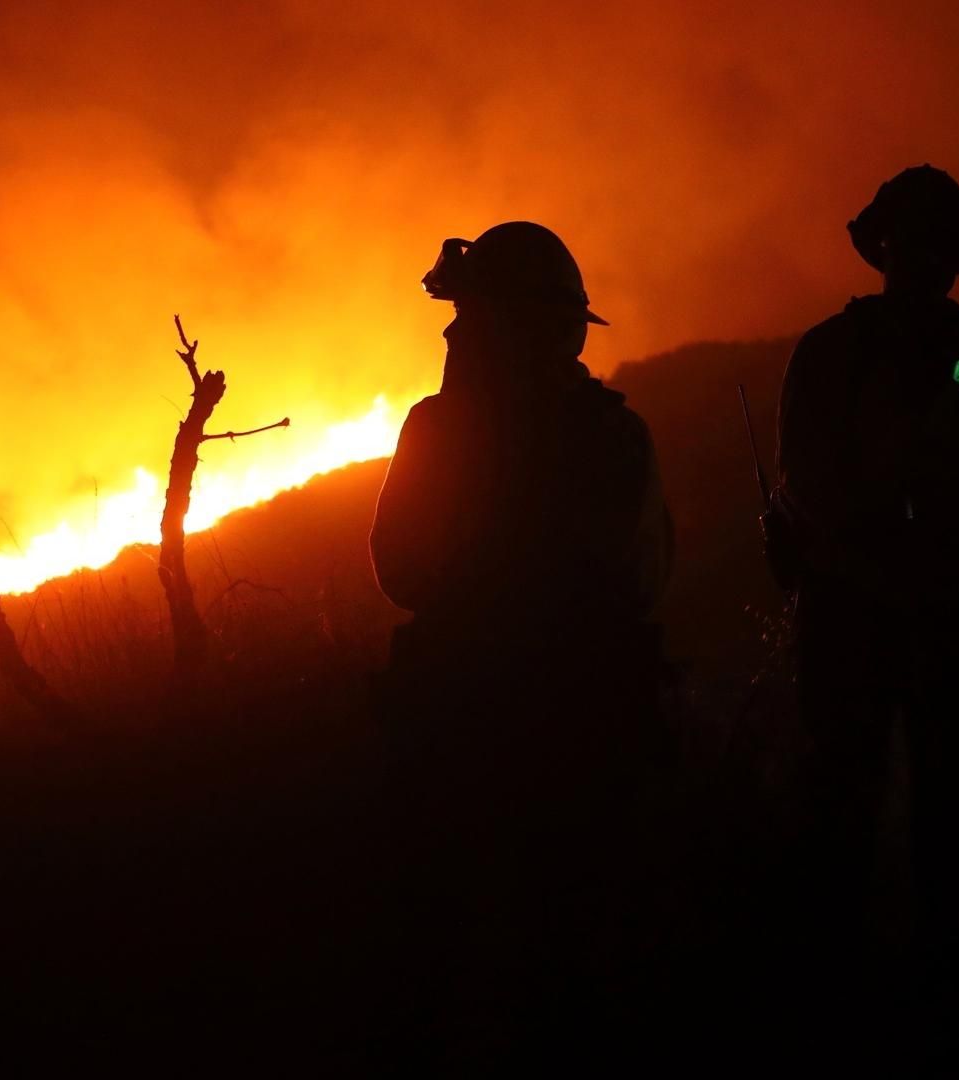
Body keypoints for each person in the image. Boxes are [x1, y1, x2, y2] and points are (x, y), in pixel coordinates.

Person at [370, 221, 673, 1068]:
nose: (452, 331)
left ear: (503, 323)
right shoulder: (617, 436)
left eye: (467, 315)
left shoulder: (439, 431)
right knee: (567, 961)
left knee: (440, 953)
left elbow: (399, 567)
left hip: (461, 734)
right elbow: (646, 579)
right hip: (584, 739)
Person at [767, 166, 959, 981]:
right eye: (911, 245)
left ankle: (945, 982)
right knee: (845, 802)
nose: (921, 262)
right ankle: (841, 983)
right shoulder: (835, 354)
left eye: (934, 249)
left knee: (951, 807)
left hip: (943, 620)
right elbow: (808, 480)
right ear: (885, 249)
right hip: (862, 615)